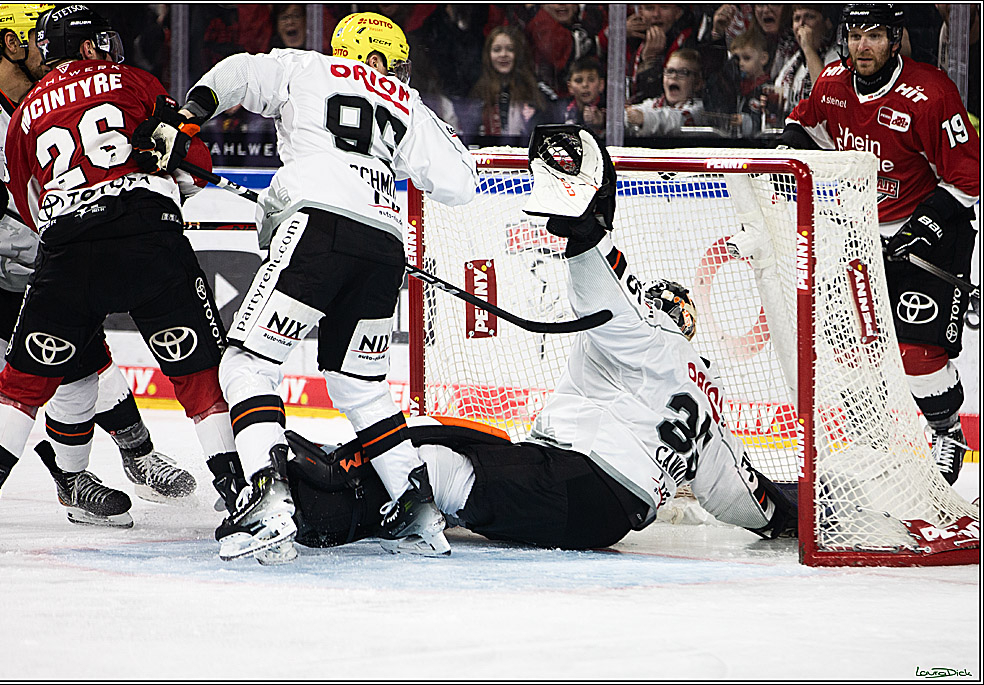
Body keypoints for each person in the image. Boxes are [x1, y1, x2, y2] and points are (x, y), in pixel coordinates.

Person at [274, 125, 797, 553]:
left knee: (434, 470)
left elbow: (606, 301)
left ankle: (316, 510)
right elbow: (737, 493)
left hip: (576, 480)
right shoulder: (702, 399)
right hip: (591, 502)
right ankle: (339, 464)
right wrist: (787, 512)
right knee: (432, 438)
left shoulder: (649, 339)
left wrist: (584, 228)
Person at [153, 11, 476, 561]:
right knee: (361, 385)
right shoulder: (409, 103)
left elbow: (236, 71)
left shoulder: (307, 65)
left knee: (245, 364)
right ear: (379, 57)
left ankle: (266, 497)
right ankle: (417, 507)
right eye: (393, 62)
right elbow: (462, 185)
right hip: (384, 243)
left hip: (317, 229)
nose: (396, 71)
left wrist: (188, 117)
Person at [0, 5, 238, 560]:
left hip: (61, 256)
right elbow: (195, 158)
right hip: (137, 245)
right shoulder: (135, 80)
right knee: (199, 376)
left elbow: (28, 202)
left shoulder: (25, 114)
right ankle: (243, 496)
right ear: (88, 46)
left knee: (27, 383)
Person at [777, 4, 979, 485]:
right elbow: (805, 126)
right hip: (862, 232)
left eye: (874, 35)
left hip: (931, 231)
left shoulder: (931, 93)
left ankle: (947, 432)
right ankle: (870, 440)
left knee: (915, 351)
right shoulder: (832, 83)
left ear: (895, 38)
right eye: (854, 35)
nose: (862, 45)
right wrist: (786, 158)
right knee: (851, 347)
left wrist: (918, 229)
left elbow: (968, 179)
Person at [468, 26, 549, 142]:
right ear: (488, 55)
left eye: (510, 49)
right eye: (497, 50)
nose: (503, 54)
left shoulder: (533, 91)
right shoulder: (479, 92)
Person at [773, 4, 838, 113]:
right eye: (797, 18)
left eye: (809, 17)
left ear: (827, 22)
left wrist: (808, 48)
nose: (801, 24)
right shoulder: (795, 61)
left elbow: (826, 96)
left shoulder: (838, 56)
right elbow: (778, 90)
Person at [625, 47, 705, 137]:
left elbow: (675, 120)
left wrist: (645, 118)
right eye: (670, 71)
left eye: (683, 72)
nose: (674, 76)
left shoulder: (699, 110)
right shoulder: (654, 104)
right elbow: (634, 112)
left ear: (697, 83)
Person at [560, 57, 606, 139]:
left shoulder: (610, 111)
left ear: (601, 84)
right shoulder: (560, 111)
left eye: (591, 79)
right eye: (578, 80)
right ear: (570, 87)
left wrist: (602, 123)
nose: (585, 85)